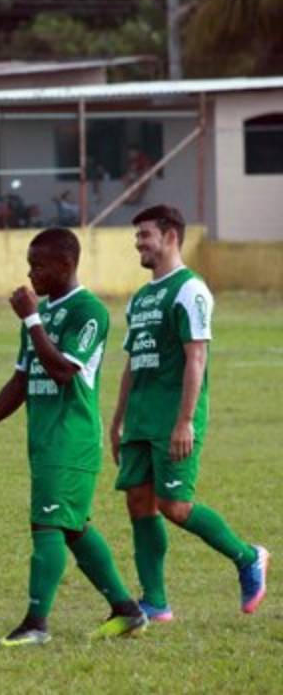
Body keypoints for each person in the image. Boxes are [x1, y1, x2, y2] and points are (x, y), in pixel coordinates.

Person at [0, 228, 147, 646]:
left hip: (70, 438)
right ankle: (127, 610)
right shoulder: (41, 315)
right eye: (29, 264)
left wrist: (32, 318)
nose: (30, 273)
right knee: (72, 529)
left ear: (65, 264)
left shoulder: (89, 311)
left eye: (38, 265)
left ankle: (36, 624)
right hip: (44, 440)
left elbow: (62, 370)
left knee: (46, 525)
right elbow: (22, 380)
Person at [110, 205, 268, 621]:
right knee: (139, 502)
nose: (138, 243)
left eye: (145, 235)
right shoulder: (141, 297)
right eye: (137, 236)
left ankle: (247, 556)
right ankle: (155, 602)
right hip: (140, 418)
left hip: (173, 418)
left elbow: (196, 358)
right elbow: (133, 362)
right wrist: (117, 419)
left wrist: (185, 420)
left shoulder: (190, 290)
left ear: (170, 236)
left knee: (174, 506)